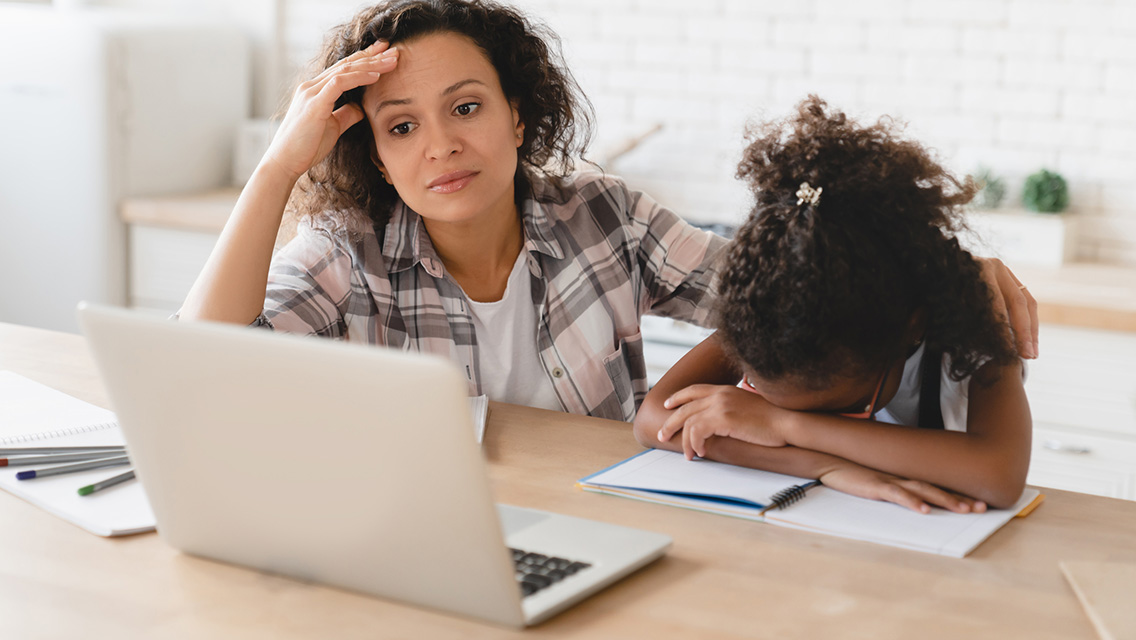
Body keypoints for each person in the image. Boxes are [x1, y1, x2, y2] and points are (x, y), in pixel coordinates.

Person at [180, 0, 1038, 425]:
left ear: (519, 116)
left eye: (467, 107)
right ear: (376, 154)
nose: (440, 143)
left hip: (596, 529)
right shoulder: (345, 252)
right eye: (401, 126)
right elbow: (201, 365)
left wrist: (949, 268)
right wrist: (278, 166)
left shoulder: (601, 216)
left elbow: (775, 297)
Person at [637, 97, 1032, 513]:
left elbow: (999, 476)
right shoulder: (771, 310)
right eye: (763, 398)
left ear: (910, 329)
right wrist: (823, 466)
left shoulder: (975, 318)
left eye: (845, 411)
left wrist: (782, 424)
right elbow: (652, 423)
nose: (785, 416)